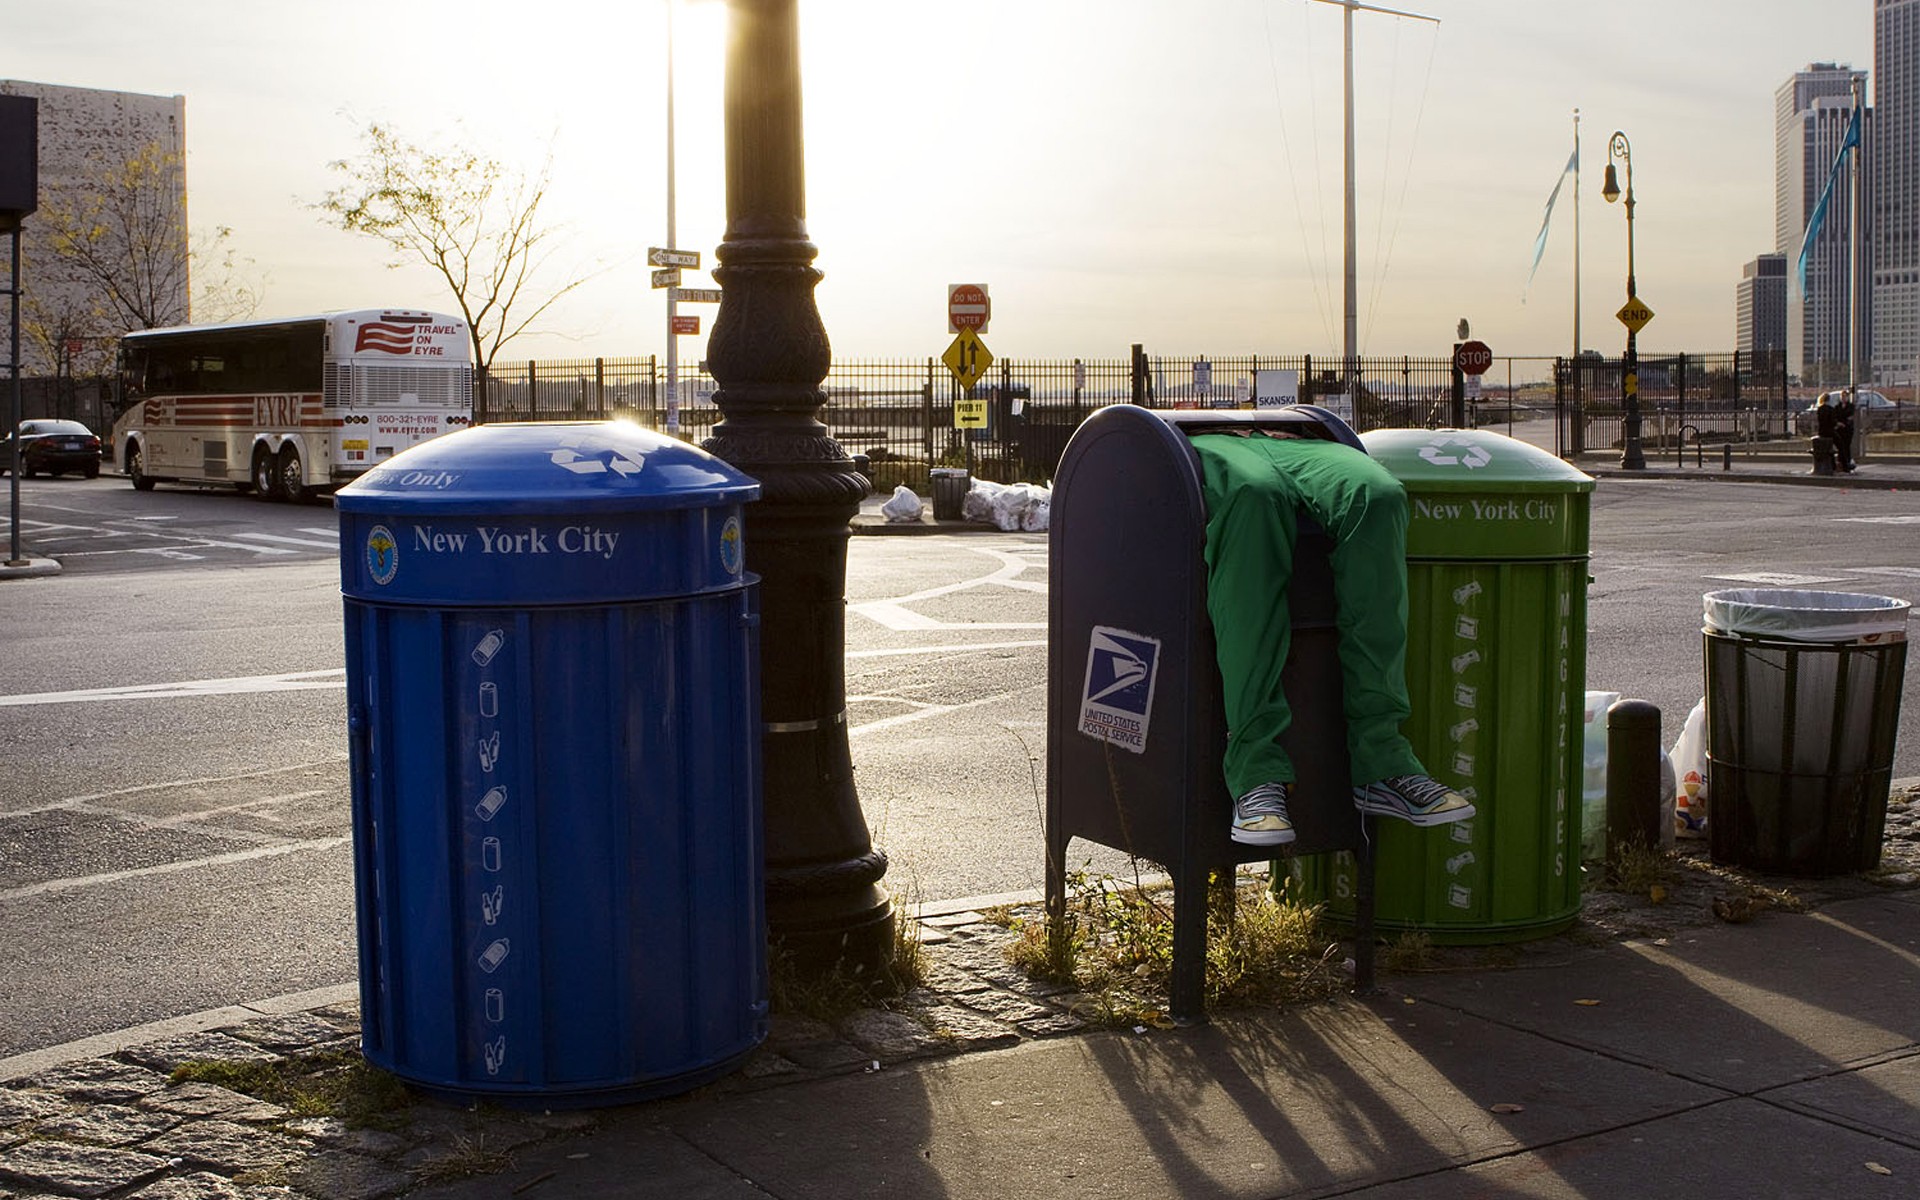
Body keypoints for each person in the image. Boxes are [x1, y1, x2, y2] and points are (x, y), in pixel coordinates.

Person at [1190, 426, 1475, 846]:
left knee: (1379, 496)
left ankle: (1382, 761)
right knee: (1255, 495)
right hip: (1207, 436)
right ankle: (1256, 772)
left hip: (1302, 437)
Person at [1834, 393, 1857, 472]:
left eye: (1844, 396)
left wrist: (1844, 422)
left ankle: (1847, 462)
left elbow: (1850, 417)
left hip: (1847, 429)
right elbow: (1835, 416)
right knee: (1840, 446)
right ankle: (1840, 463)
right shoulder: (1837, 406)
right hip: (1839, 429)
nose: (1843, 398)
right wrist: (1838, 423)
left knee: (1846, 445)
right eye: (1842, 397)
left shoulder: (1851, 406)